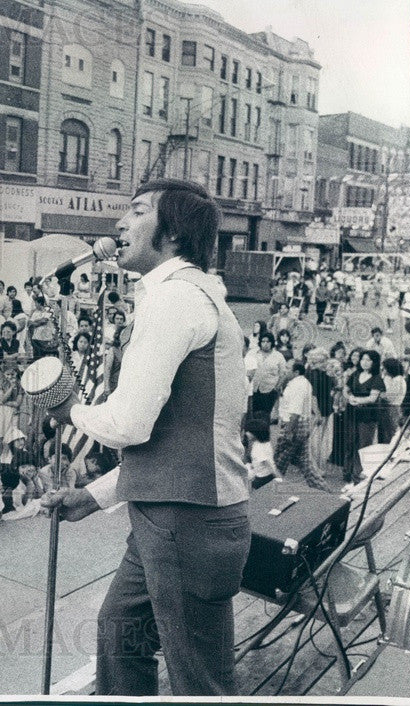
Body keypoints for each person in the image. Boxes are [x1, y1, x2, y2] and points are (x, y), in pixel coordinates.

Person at [43, 180, 251, 697]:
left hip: (186, 521)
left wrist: (72, 412)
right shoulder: (186, 295)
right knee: (120, 632)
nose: (119, 224)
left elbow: (131, 423)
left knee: (198, 679)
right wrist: (91, 498)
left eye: (137, 212)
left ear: (173, 233)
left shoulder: (174, 299)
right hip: (169, 516)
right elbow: (169, 442)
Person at [274, 361, 330, 491]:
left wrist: (288, 431)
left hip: (293, 426)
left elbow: (295, 412)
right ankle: (325, 491)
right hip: (301, 426)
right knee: (307, 466)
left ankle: (267, 492)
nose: (284, 371)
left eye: (288, 368)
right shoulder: (302, 383)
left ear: (296, 372)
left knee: (277, 464)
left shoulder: (297, 386)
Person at [344, 349, 386, 486]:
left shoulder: (377, 379)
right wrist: (349, 397)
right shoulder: (356, 374)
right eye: (363, 359)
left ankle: (358, 476)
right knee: (350, 443)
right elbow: (346, 389)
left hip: (368, 416)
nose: (365, 362)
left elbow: (373, 398)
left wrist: (356, 400)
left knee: (363, 446)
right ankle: (347, 472)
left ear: (374, 363)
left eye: (368, 360)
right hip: (352, 414)